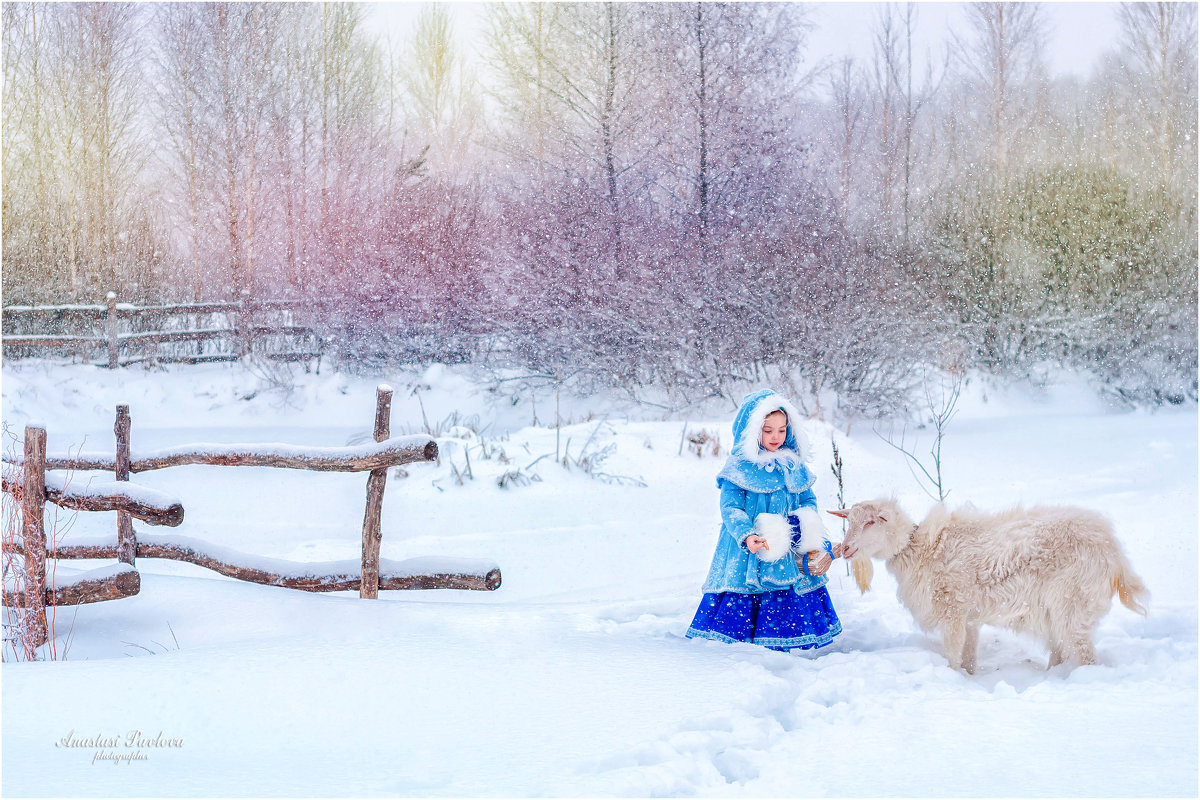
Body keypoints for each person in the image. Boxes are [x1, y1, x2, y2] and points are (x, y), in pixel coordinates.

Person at [685, 389, 842, 651]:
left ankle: (787, 637)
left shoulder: (794, 465)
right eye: (767, 430)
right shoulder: (739, 467)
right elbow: (731, 507)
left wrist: (803, 524)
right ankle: (742, 639)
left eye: (781, 430)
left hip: (789, 545)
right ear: (751, 429)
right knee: (747, 585)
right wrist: (746, 534)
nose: (775, 437)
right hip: (748, 549)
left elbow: (808, 500)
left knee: (789, 583)